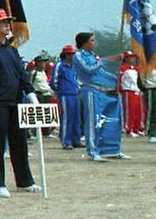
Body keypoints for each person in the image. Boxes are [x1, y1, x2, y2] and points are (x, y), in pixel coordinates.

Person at [0, 9, 39, 198]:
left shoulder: (13, 50)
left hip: (16, 101)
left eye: (8, 22)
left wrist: (30, 92)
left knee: (20, 143)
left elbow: (22, 73)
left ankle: (25, 181)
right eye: (2, 22)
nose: (7, 25)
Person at [72, 32, 127, 161]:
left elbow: (101, 72)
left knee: (110, 120)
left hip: (105, 92)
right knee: (94, 122)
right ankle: (93, 152)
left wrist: (116, 80)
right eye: (92, 40)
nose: (94, 43)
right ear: (84, 43)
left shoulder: (93, 55)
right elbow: (89, 69)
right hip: (91, 91)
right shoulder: (78, 56)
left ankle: (111, 150)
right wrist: (105, 60)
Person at [50, 45, 82, 150]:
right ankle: (66, 141)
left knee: (76, 118)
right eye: (70, 54)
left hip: (75, 94)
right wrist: (59, 91)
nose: (72, 56)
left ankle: (76, 140)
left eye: (73, 54)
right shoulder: (60, 65)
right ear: (65, 54)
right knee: (67, 118)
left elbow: (77, 79)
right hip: (65, 94)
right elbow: (54, 81)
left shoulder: (74, 66)